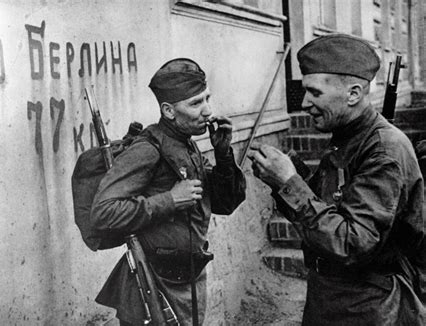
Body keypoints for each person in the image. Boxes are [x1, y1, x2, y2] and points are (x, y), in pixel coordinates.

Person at [248, 34, 426, 325]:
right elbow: (332, 208)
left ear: (353, 94)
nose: (304, 103)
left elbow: (351, 243)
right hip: (333, 296)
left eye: (315, 93)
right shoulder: (348, 137)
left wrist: (289, 183)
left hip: (367, 305)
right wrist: (288, 175)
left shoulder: (383, 150)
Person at [90, 58, 246, 325]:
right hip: (155, 281)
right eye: (195, 103)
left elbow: (225, 203)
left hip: (191, 278)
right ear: (169, 111)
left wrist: (223, 155)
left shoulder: (187, 145)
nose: (208, 111)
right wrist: (170, 200)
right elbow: (103, 213)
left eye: (207, 99)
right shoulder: (147, 149)